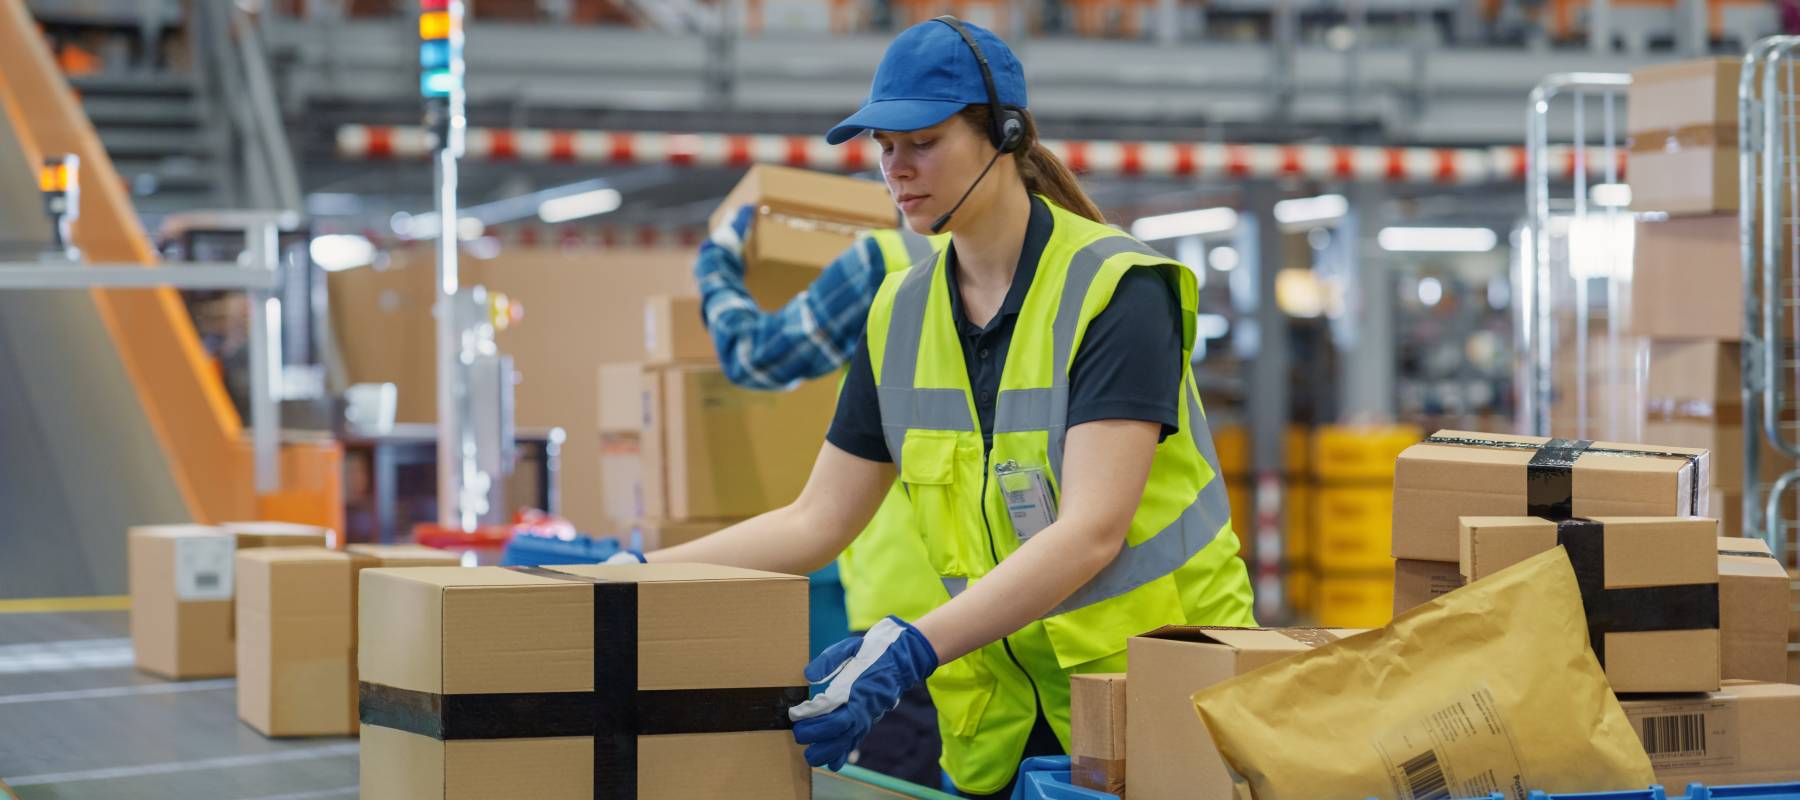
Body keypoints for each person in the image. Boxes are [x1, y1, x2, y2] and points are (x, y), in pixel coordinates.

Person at [615, 16, 1253, 796]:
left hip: (1154, 696)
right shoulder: (901, 311)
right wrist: (635, 572)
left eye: (923, 142)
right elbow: (817, 519)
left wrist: (910, 648)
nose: (896, 169)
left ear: (1005, 135)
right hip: (1000, 719)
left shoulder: (1116, 290)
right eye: (884, 147)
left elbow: (1092, 530)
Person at [692, 210, 949, 784]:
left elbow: (757, 355)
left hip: (905, 614)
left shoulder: (887, 260)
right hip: (1016, 613)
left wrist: (716, 266)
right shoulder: (1039, 272)